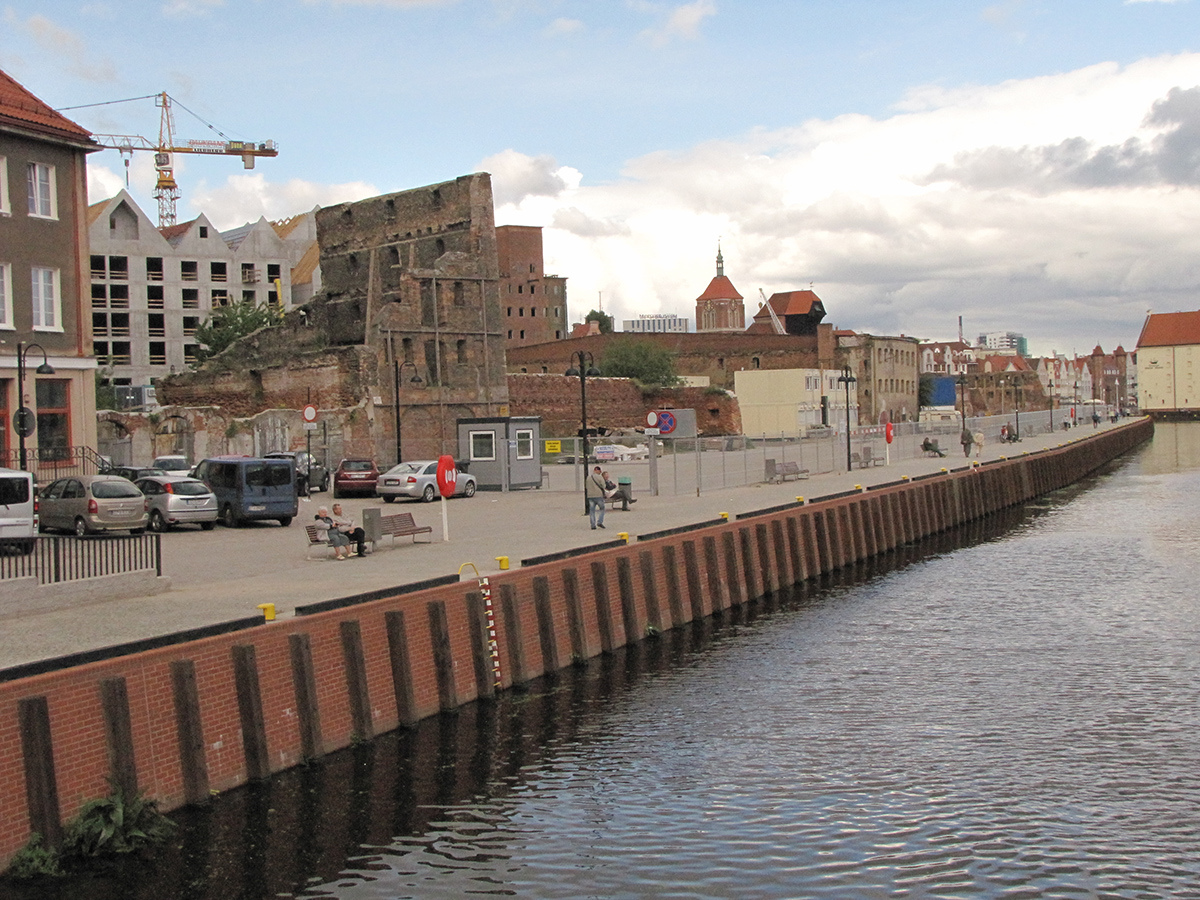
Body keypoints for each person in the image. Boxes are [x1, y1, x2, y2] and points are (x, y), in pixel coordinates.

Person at [585, 465, 607, 529]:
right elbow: (603, 486)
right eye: (600, 471)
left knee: (592, 511)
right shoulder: (600, 477)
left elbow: (586, 486)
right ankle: (599, 522)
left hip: (590, 496)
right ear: (598, 470)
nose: (600, 472)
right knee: (602, 509)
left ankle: (593, 525)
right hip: (598, 495)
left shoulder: (588, 477)